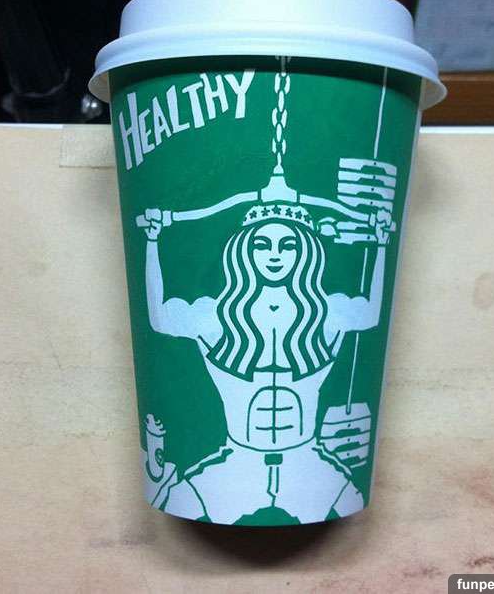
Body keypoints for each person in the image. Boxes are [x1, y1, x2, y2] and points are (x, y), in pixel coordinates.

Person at [141, 196, 389, 525]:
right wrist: (152, 240)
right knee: (177, 496)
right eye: (262, 245)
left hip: (307, 462)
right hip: (236, 463)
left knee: (352, 496)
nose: (274, 255)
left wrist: (381, 245)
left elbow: (370, 313)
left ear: (304, 252)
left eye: (287, 246)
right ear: (245, 251)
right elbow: (161, 318)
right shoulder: (219, 317)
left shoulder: (324, 315)